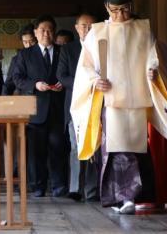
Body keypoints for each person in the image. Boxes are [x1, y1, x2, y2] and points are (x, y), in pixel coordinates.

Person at [70, 0, 167, 214]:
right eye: (115, 10)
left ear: (131, 5)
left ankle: (138, 196)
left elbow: (154, 56)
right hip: (112, 100)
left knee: (139, 147)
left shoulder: (142, 29)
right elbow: (85, 67)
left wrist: (153, 70)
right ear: (107, 7)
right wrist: (96, 80)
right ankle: (123, 198)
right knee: (117, 148)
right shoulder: (96, 33)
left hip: (138, 98)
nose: (121, 15)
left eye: (125, 9)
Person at [13, 14, 67, 197]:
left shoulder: (63, 51)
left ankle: (59, 186)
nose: (46, 33)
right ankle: (37, 186)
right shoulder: (25, 54)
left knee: (58, 148)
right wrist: (34, 85)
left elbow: (70, 74)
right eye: (43, 30)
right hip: (35, 109)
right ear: (35, 32)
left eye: (50, 30)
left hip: (59, 108)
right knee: (35, 151)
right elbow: (17, 78)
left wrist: (64, 83)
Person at [56, 13, 99, 202]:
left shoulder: (102, 47)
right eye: (84, 26)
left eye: (91, 26)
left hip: (97, 103)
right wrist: (86, 83)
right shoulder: (68, 49)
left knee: (95, 147)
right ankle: (75, 188)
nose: (87, 29)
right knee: (76, 147)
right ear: (76, 28)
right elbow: (62, 76)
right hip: (74, 105)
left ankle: (92, 190)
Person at [2, 24, 37, 96]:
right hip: (24, 98)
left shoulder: (45, 56)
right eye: (25, 42)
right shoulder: (16, 59)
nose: (28, 45)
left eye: (32, 41)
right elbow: (9, 83)